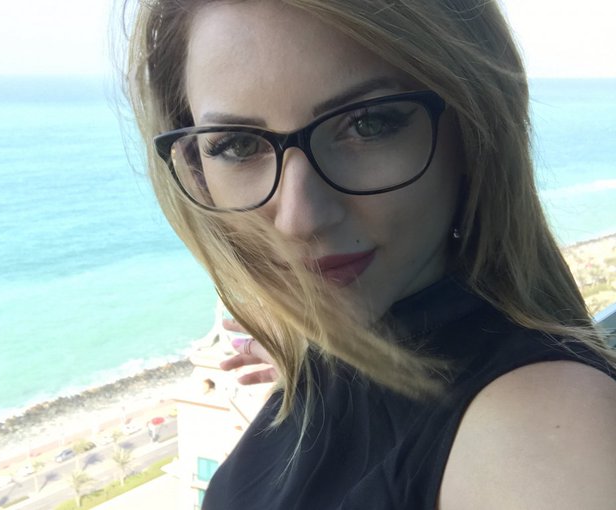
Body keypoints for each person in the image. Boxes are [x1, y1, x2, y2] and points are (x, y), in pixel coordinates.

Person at [124, 0, 616, 508]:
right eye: (238, 146)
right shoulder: (341, 359)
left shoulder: (542, 432)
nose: (299, 219)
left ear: (474, 126)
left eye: (368, 124)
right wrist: (312, 351)